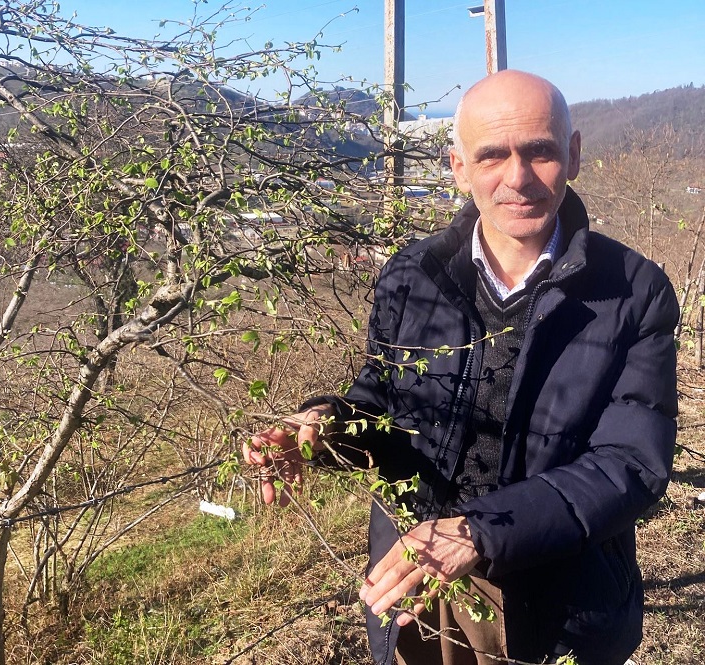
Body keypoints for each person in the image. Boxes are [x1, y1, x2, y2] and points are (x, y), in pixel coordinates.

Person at [243, 70, 678, 665]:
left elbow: (629, 464)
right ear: (458, 166)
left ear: (574, 155)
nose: (517, 178)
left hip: (560, 605)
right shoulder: (412, 275)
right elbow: (382, 398)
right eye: (492, 155)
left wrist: (477, 530)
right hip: (416, 583)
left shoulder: (631, 290)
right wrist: (323, 426)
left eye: (541, 151)